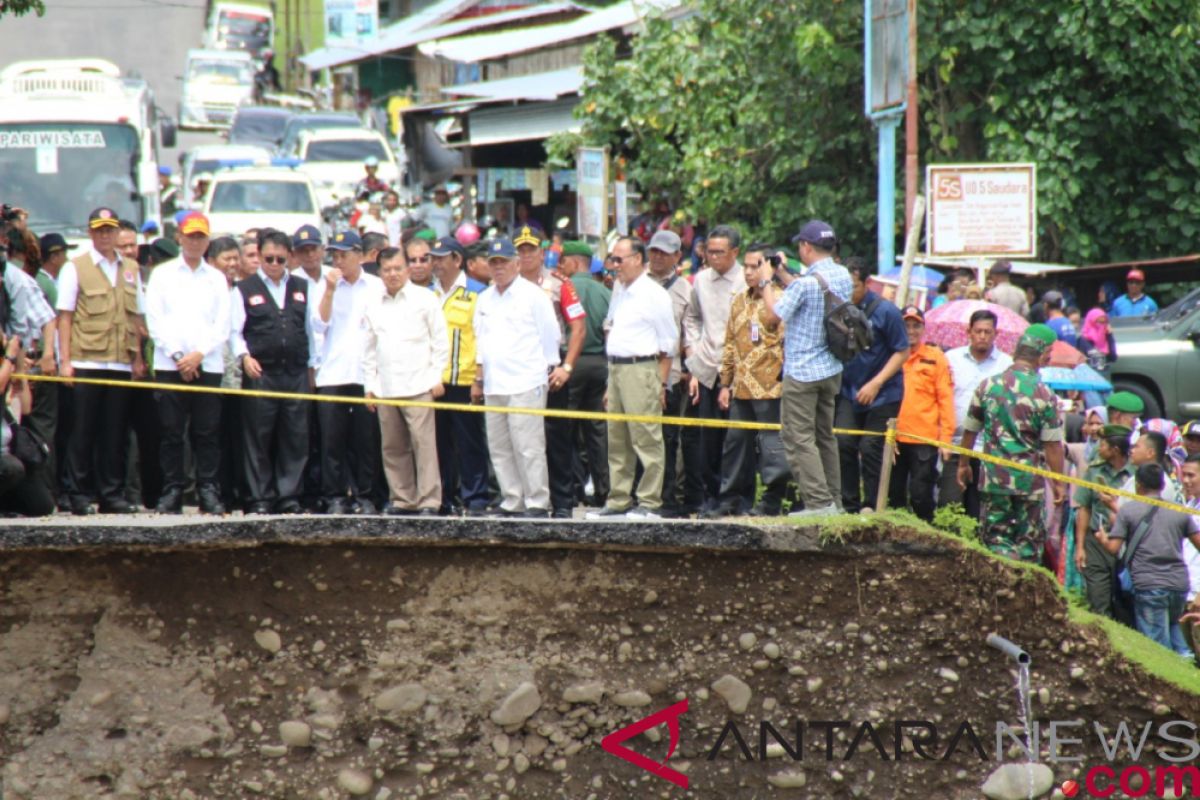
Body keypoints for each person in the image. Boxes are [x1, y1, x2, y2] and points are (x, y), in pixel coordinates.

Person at [56, 207, 147, 515]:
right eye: (100, 230)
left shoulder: (131, 267)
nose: (105, 235)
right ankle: (78, 493)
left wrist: (137, 358)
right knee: (82, 431)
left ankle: (112, 493)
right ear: (90, 233)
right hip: (87, 360)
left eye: (110, 230)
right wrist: (64, 360)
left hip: (120, 361)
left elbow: (136, 318)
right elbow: (65, 317)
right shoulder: (76, 267)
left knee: (114, 432)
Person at [759, 220, 852, 517]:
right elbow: (811, 291)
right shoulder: (843, 276)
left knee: (799, 438)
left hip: (802, 372)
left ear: (806, 247)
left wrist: (765, 281)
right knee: (825, 435)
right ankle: (834, 502)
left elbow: (774, 316)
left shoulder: (804, 284)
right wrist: (784, 273)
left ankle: (818, 503)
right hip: (831, 369)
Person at [585, 237, 677, 520]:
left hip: (642, 367)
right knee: (617, 438)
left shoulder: (654, 294)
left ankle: (649, 502)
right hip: (616, 369)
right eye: (611, 260)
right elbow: (611, 329)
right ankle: (619, 499)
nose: (613, 266)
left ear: (637, 259)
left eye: (618, 260)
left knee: (646, 436)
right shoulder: (619, 291)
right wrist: (609, 382)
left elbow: (669, 342)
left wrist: (660, 382)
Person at [145, 212, 230, 514]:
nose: (195, 242)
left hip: (208, 363)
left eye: (201, 237)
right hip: (171, 364)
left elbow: (223, 324)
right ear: (179, 237)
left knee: (207, 431)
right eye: (190, 236)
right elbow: (154, 320)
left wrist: (199, 354)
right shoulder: (162, 275)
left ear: (207, 241)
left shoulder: (217, 278)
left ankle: (208, 488)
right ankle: (172, 489)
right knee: (171, 431)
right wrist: (180, 356)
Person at [471, 237, 561, 518]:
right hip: (495, 382)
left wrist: (543, 372)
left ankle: (536, 501)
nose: (498, 268)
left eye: (504, 262)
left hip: (526, 380)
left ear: (517, 264)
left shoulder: (534, 296)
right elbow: (481, 341)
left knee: (528, 447)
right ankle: (512, 499)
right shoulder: (484, 298)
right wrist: (480, 377)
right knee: (499, 447)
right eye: (494, 262)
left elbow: (551, 337)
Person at [959, 330, 1066, 562]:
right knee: (1028, 541)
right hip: (1029, 481)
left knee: (995, 539)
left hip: (994, 479)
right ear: (1039, 358)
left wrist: (963, 464)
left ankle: (999, 588)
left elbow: (969, 430)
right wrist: (1059, 481)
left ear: (1014, 354)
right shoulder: (1044, 394)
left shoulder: (987, 385)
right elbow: (1053, 445)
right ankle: (1023, 590)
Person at [230, 228, 311, 514]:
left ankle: (289, 495)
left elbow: (311, 329)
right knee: (258, 437)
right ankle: (259, 498)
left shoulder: (302, 286)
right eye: (269, 259)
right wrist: (244, 356)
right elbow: (234, 331)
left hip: (296, 371)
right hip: (262, 372)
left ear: (289, 257)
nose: (274, 265)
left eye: (280, 259)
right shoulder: (244, 288)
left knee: (295, 436)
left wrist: (311, 364)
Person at [364, 246, 449, 516]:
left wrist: (437, 377)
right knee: (393, 447)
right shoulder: (373, 302)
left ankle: (429, 501)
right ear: (380, 272)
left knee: (424, 447)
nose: (393, 274)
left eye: (398, 268)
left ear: (407, 269)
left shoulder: (425, 298)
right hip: (386, 387)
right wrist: (370, 386)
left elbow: (440, 342)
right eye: (387, 269)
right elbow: (368, 348)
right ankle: (402, 499)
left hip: (420, 385)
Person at [513, 225, 587, 518]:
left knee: (556, 436)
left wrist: (566, 367)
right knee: (520, 438)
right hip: (518, 369)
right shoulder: (509, 283)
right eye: (521, 250)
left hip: (550, 369)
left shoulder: (559, 284)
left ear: (542, 253)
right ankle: (525, 500)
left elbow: (578, 326)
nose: (527, 255)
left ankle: (563, 501)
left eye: (531, 249)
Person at [310, 230, 385, 514]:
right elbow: (319, 324)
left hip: (366, 373)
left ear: (359, 255)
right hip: (333, 372)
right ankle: (335, 496)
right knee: (332, 440)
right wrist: (330, 290)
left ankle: (366, 495)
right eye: (335, 256)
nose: (338, 261)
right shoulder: (324, 285)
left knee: (366, 440)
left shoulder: (375, 286)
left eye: (344, 255)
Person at [713, 243, 788, 517]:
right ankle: (730, 500)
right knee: (735, 444)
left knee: (772, 447)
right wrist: (725, 383)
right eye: (745, 266)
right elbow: (730, 344)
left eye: (755, 266)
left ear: (768, 267)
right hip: (742, 387)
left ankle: (771, 501)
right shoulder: (739, 300)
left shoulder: (780, 298)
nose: (747, 272)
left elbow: (780, 331)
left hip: (772, 387)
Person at [1096, 463, 1200, 655]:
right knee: (1177, 637)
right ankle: (1185, 670)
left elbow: (1113, 548)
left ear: (1138, 485)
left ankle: (1169, 680)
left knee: (1157, 647)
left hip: (1149, 584)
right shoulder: (1179, 510)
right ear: (1162, 485)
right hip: (1179, 585)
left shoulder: (1128, 511)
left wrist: (1102, 538)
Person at [835, 259, 909, 514]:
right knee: (843, 442)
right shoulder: (838, 309)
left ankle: (873, 505)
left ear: (867, 283)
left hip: (883, 392)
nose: (848, 292)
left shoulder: (887, 311)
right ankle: (848, 503)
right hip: (848, 390)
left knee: (871, 447)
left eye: (853, 286)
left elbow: (902, 351)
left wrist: (876, 383)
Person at [683, 224, 747, 512]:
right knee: (707, 439)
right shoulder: (701, 280)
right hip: (708, 366)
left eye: (720, 252)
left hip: (740, 370)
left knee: (737, 440)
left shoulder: (747, 280)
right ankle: (711, 497)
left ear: (735, 252)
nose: (713, 257)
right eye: (709, 252)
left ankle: (736, 498)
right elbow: (692, 318)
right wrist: (694, 355)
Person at [428, 237, 491, 515]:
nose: (436, 263)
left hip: (465, 380)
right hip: (436, 380)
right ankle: (445, 495)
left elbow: (483, 337)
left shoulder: (477, 292)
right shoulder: (429, 293)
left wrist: (478, 378)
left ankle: (475, 497)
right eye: (434, 258)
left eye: (442, 257)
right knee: (440, 442)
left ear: (457, 260)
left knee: (470, 442)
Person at [646, 230, 700, 516]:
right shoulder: (634, 283)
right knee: (636, 436)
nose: (657, 257)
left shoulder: (685, 290)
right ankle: (639, 497)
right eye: (653, 251)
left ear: (677, 257)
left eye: (664, 253)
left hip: (673, 374)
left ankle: (666, 499)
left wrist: (691, 372)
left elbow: (690, 333)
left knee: (668, 438)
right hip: (636, 370)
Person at [940, 309, 1013, 517]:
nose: (982, 336)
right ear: (969, 332)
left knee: (980, 511)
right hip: (954, 445)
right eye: (978, 331)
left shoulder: (1006, 364)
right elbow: (942, 397)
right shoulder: (951, 359)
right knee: (949, 508)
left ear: (995, 334)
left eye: (987, 332)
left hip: (989, 448)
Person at [560, 240, 611, 509]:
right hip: (600, 363)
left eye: (563, 261)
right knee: (596, 431)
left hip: (571, 363)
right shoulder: (605, 292)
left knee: (564, 429)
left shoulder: (564, 289)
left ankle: (572, 488)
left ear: (575, 262)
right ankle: (604, 489)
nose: (560, 266)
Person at [892, 305, 955, 522]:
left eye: (916, 325)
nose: (911, 330)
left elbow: (946, 399)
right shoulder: (890, 354)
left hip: (924, 439)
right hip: (893, 438)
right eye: (906, 325)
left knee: (921, 495)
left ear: (923, 328)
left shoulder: (935, 357)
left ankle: (926, 535)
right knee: (893, 495)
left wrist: (946, 439)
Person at [1074, 424, 1135, 617]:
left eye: (1103, 444)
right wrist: (1080, 546)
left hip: (1128, 543)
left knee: (1127, 602)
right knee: (1099, 600)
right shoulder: (1094, 471)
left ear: (1115, 450)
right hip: (1096, 541)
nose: (1099, 448)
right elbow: (1084, 508)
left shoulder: (1136, 474)